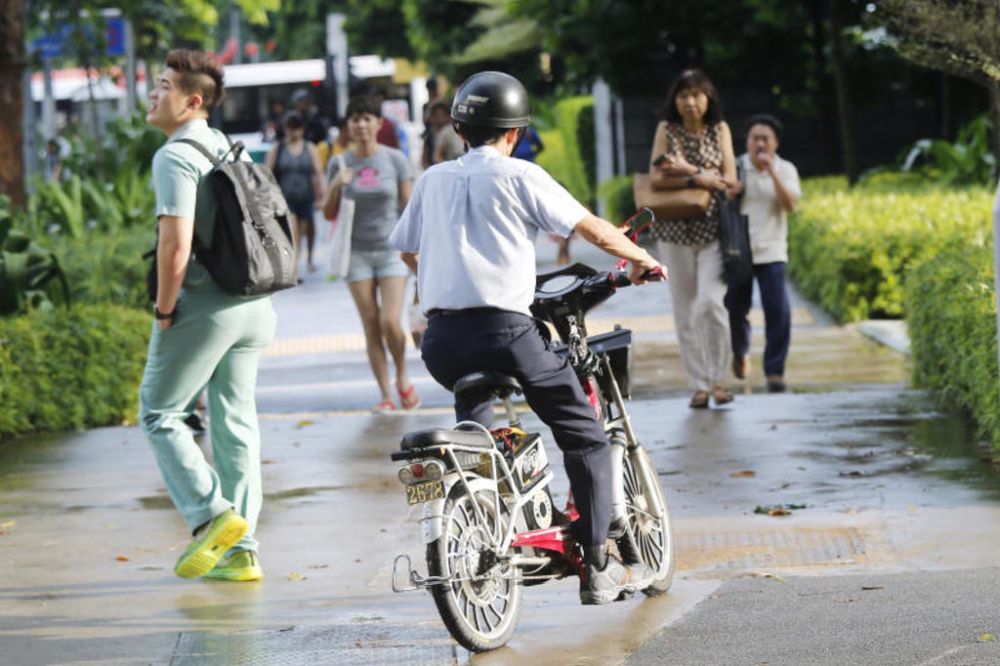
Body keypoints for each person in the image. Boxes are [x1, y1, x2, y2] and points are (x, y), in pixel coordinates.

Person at [389, 71, 665, 605]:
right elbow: (592, 230)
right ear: (513, 133)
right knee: (583, 434)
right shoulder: (522, 176)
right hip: (507, 332)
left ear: (460, 129)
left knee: (478, 412)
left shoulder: (432, 179)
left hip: (441, 341)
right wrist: (643, 259)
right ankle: (598, 564)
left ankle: (486, 502)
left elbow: (407, 250)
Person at [139, 48, 276, 583]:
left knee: (159, 412)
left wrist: (164, 309)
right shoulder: (225, 144)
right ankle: (242, 554)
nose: (153, 92)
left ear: (192, 101)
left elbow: (175, 247)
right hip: (254, 304)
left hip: (205, 304)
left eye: (164, 85)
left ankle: (212, 516)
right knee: (235, 422)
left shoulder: (175, 155)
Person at [648, 68, 739, 409]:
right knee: (684, 311)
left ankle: (719, 380)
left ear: (708, 98)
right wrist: (699, 180)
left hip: (714, 231)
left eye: (697, 94)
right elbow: (657, 177)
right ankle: (698, 385)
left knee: (710, 304)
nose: (690, 102)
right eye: (683, 95)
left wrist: (687, 170)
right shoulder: (666, 130)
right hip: (674, 232)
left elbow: (728, 180)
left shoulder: (720, 130)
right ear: (675, 99)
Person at [322, 96, 419, 413]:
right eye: (355, 119)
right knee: (371, 323)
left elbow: (408, 207)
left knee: (392, 321)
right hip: (357, 254)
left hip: (391, 251)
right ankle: (385, 394)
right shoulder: (339, 163)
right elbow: (327, 212)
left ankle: (403, 378)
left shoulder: (394, 159)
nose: (361, 125)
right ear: (347, 127)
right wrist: (337, 183)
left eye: (367, 118)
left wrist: (415, 248)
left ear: (379, 124)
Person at [725, 114, 801, 393]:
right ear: (747, 141)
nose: (759, 143)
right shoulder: (736, 166)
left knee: (778, 312)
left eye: (765, 138)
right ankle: (741, 352)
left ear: (775, 143)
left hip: (772, 251)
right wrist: (732, 192)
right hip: (739, 251)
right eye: (754, 138)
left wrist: (772, 173)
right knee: (735, 308)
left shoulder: (786, 169)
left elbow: (790, 205)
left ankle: (775, 371)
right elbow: (722, 201)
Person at [266, 111, 324, 274]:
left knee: (310, 228)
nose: (294, 132)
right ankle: (295, 267)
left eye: (297, 128)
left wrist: (321, 195)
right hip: (286, 197)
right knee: (294, 232)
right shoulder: (278, 148)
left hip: (307, 196)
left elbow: (318, 172)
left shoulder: (309, 147)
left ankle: (310, 257)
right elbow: (267, 174)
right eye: (290, 128)